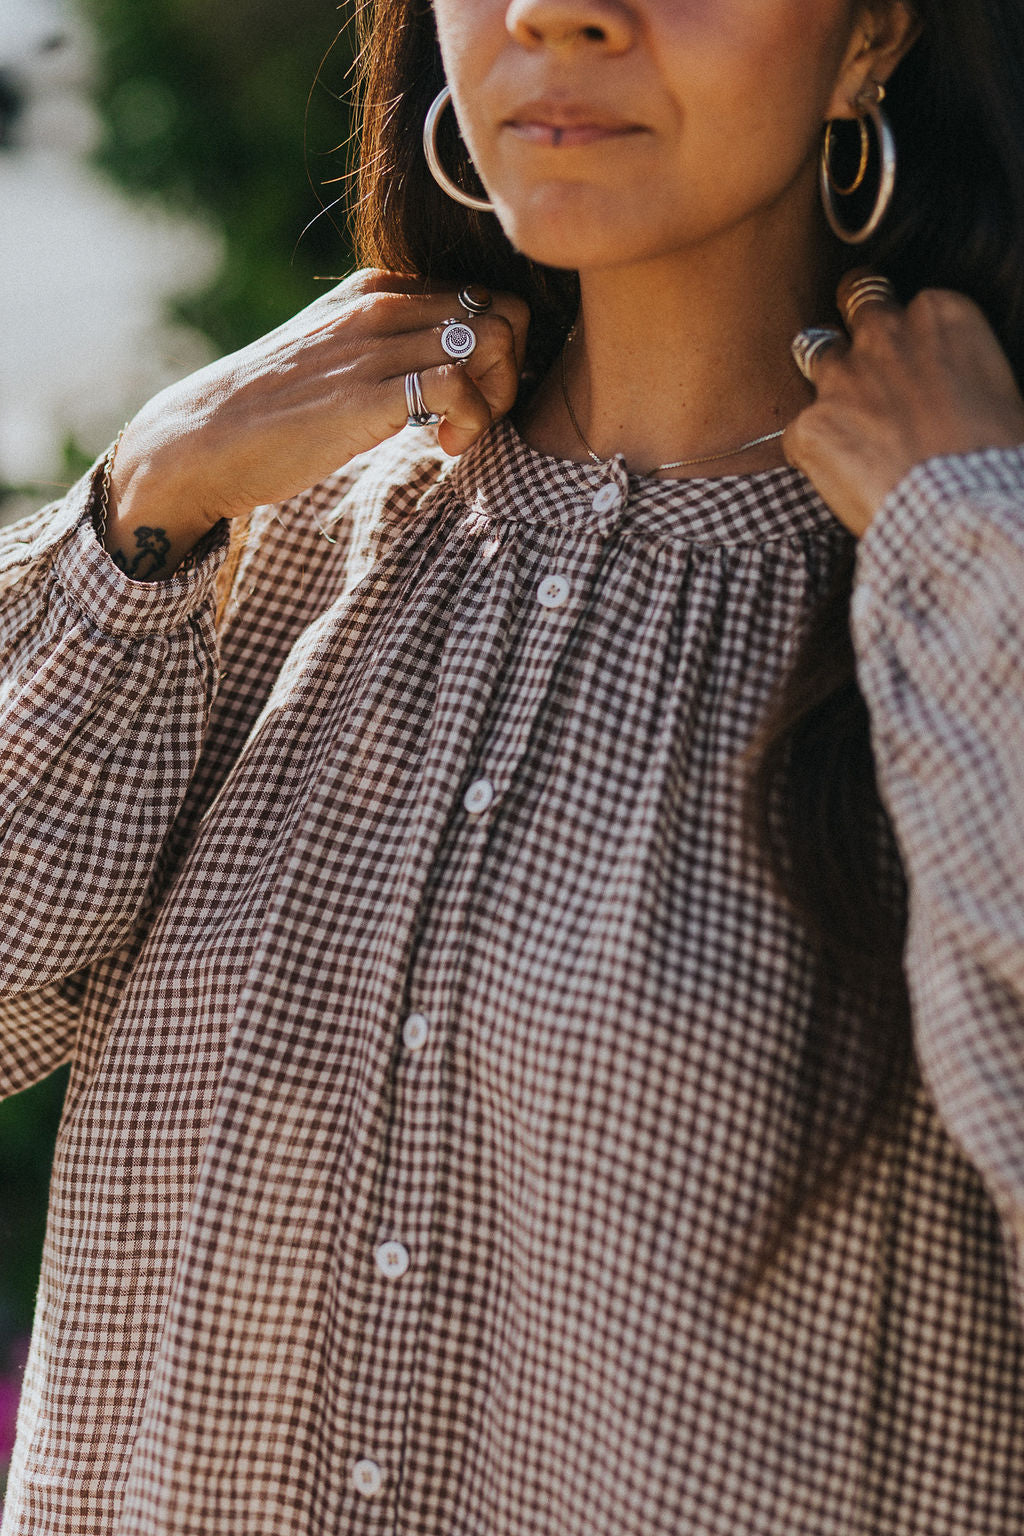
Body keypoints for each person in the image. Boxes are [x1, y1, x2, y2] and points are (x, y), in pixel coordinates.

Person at [2, 0, 1024, 1531]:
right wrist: (140, 507)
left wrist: (971, 550)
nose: (562, 10)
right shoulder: (261, 535)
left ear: (874, 34)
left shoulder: (964, 591)